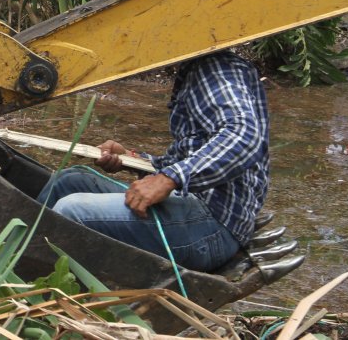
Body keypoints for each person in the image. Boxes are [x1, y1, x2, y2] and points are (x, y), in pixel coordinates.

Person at [38, 51, 270, 273]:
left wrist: (168, 179)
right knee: (67, 182)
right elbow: (194, 152)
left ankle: (41, 291)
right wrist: (134, 160)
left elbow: (244, 136)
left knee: (71, 210)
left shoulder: (214, 69)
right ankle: (21, 255)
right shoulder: (202, 70)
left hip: (211, 226)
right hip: (197, 208)